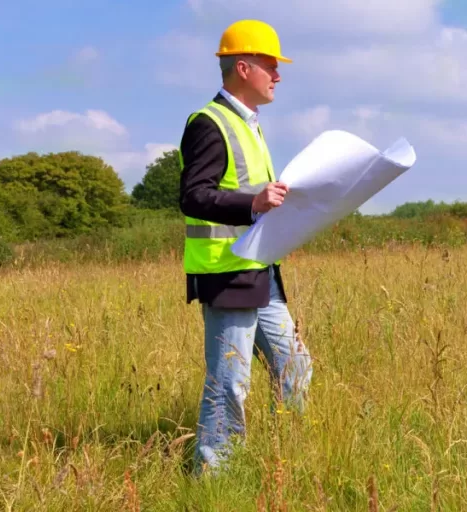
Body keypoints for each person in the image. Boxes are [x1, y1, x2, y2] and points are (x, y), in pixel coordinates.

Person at [177, 19, 312, 476]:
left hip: (261, 272)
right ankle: (213, 480)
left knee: (295, 367)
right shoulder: (209, 124)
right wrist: (251, 202)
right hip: (227, 274)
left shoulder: (249, 124)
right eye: (270, 66)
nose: (278, 76)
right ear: (243, 67)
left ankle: (282, 462)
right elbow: (193, 195)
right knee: (229, 383)